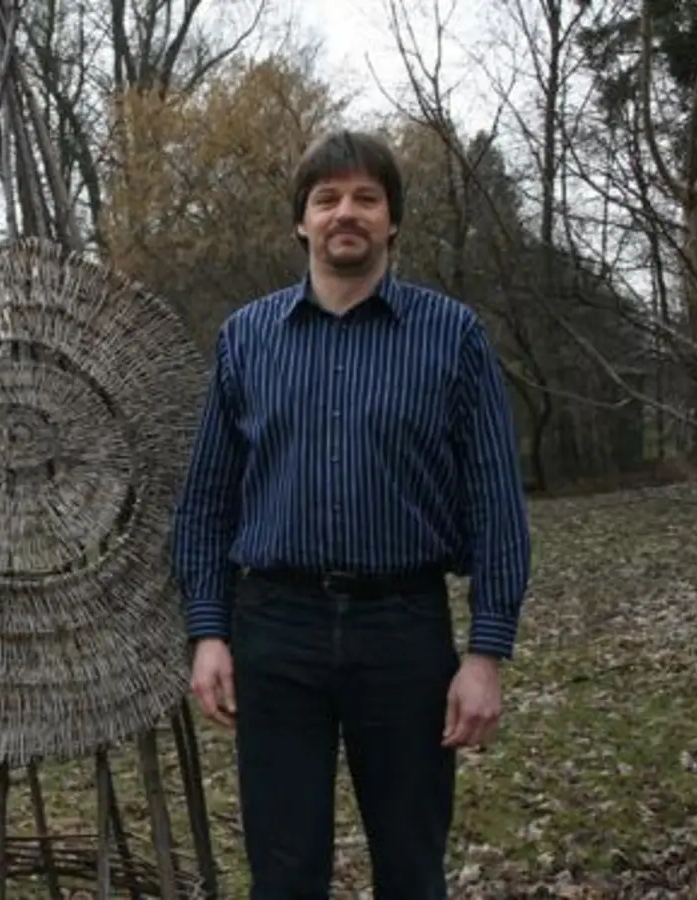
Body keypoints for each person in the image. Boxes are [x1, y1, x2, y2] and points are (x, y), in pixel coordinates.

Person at [170, 130, 532, 899]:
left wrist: (486, 651)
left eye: (367, 197)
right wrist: (208, 630)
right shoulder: (247, 339)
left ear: (392, 220)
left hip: (403, 631)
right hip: (276, 630)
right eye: (326, 198)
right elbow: (205, 499)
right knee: (285, 871)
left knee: (410, 866)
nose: (347, 212)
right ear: (301, 221)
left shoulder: (452, 337)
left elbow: (496, 502)